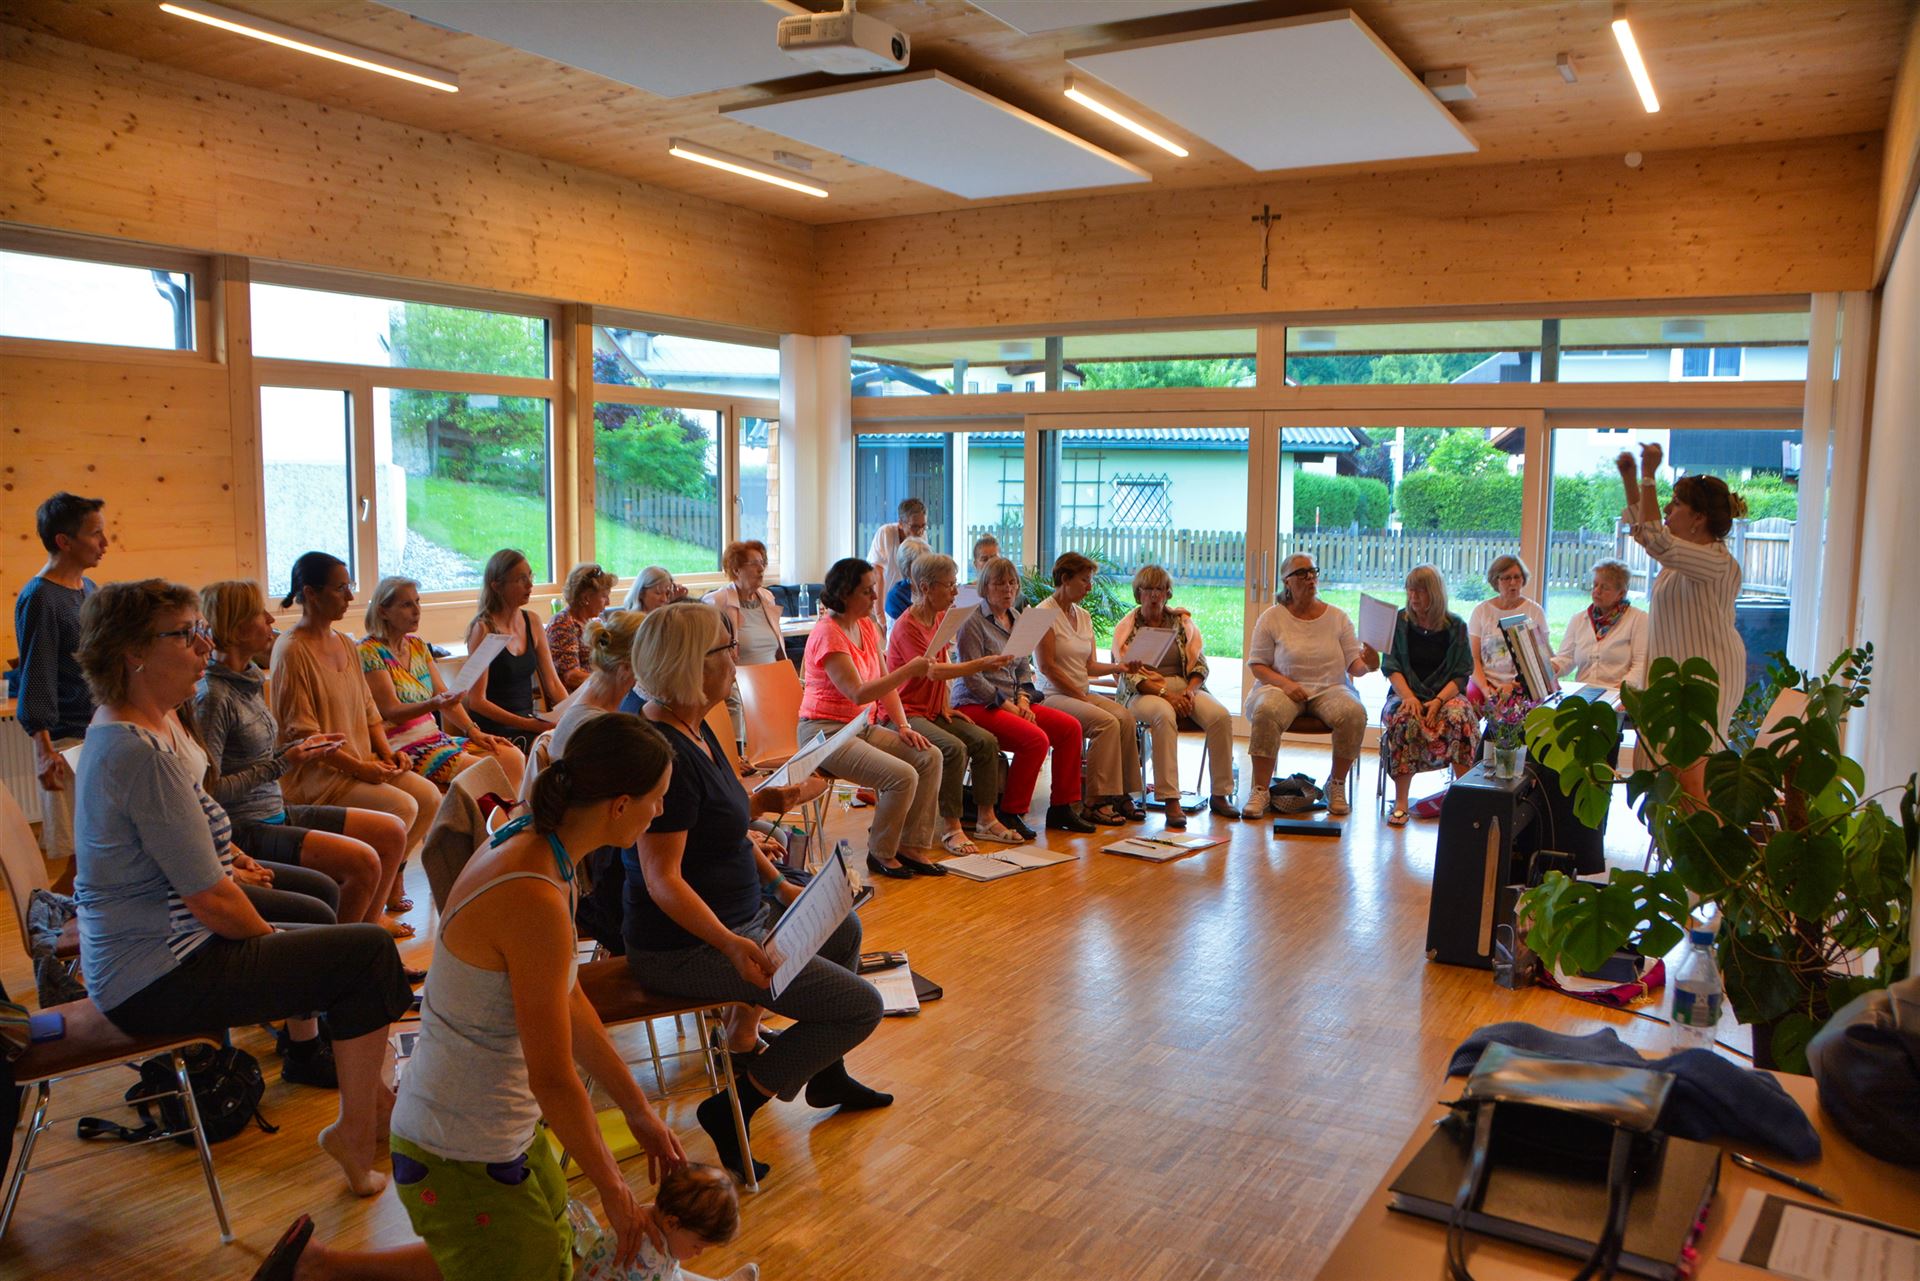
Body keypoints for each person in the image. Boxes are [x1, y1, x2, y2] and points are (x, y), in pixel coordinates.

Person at [250, 713, 688, 1281]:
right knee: (524, 1263)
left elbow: (568, 998)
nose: (661, 810)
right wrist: (614, 1190)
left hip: (478, 1130)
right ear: (621, 805)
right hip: (459, 1143)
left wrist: (639, 1111)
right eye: (658, 798)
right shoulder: (534, 893)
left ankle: (316, 1268)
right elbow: (552, 1076)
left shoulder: (543, 848)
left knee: (512, 1253)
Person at [73, 579, 413, 1197]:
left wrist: (278, 932)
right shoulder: (138, 752)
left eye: (202, 632)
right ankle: (361, 1128)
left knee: (337, 936)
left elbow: (196, 846)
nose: (204, 647)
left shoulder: (141, 728)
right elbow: (211, 899)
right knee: (364, 953)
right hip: (156, 975)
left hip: (158, 956)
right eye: (186, 635)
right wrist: (277, 945)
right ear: (133, 652)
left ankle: (367, 1108)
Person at [625, 603, 886, 1185]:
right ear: (692, 664)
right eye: (726, 650)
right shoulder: (660, 752)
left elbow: (727, 824)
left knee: (842, 926)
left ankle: (826, 1074)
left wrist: (777, 882)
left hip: (741, 912)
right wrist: (729, 943)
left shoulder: (695, 726)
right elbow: (662, 880)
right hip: (686, 946)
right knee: (860, 1007)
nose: (736, 658)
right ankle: (735, 1105)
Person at [197, 579, 407, 930]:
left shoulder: (247, 679)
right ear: (236, 628)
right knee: (363, 862)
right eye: (259, 614)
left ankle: (369, 934)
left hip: (275, 809)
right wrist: (285, 761)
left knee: (392, 832)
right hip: (247, 827)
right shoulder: (214, 697)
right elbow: (209, 790)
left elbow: (259, 757)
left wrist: (301, 750)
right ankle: (343, 950)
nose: (270, 620)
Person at [271, 552, 444, 928]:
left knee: (429, 797)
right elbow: (304, 734)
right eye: (341, 588)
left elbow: (369, 712)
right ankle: (370, 914)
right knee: (402, 808)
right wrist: (361, 769)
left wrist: (387, 753)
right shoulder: (292, 650)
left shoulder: (346, 644)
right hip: (320, 778)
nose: (350, 596)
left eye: (349, 586)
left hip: (361, 764)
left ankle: (384, 884)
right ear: (310, 594)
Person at [797, 558, 943, 879]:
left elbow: (884, 681)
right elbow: (859, 693)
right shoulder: (828, 633)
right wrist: (910, 670)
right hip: (824, 733)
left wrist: (903, 725)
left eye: (874, 589)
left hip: (859, 727)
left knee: (929, 756)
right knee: (902, 775)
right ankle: (882, 852)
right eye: (867, 591)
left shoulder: (866, 626)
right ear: (845, 594)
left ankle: (910, 845)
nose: (875, 597)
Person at [1617, 443, 1749, 794]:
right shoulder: (1685, 558)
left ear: (1699, 518)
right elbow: (1644, 530)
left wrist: (1648, 475)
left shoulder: (1715, 560)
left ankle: (1703, 828)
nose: (1666, 509)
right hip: (1677, 675)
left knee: (1692, 777)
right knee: (1664, 769)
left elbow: (1654, 538)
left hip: (1706, 676)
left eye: (1675, 504)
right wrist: (1630, 478)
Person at [886, 552, 1023, 851]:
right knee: (953, 748)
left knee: (986, 742)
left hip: (933, 710)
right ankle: (951, 827)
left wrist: (945, 706)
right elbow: (933, 672)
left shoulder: (938, 619)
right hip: (906, 714)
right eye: (949, 585)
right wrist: (981, 664)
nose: (955, 592)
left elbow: (942, 669)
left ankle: (986, 819)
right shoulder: (907, 626)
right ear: (925, 587)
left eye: (955, 584)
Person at [953, 556, 1090, 836]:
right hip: (976, 703)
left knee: (1070, 729)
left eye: (1012, 583)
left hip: (1011, 701)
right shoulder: (972, 622)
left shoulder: (1016, 618)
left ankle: (1062, 807)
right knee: (1035, 739)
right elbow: (972, 678)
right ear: (985, 587)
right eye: (999, 583)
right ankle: (1011, 811)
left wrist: (1023, 700)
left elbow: (1022, 668)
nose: (1008, 589)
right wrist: (1009, 706)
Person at [360, 575, 526, 793]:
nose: (416, 611)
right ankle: (494, 812)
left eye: (417, 602)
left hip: (435, 738)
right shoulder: (369, 651)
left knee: (512, 756)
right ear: (383, 611)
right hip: (404, 746)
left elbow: (444, 697)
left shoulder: (417, 645)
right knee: (483, 770)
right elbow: (392, 711)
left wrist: (472, 731)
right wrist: (435, 703)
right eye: (406, 605)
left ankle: (507, 811)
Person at [1242, 555, 1377, 819]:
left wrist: (1370, 663)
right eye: (1302, 573)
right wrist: (1286, 684)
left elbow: (1355, 666)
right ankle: (1260, 790)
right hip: (1281, 688)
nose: (1310, 578)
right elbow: (1257, 665)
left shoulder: (1338, 617)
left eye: (1313, 571)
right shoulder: (1272, 617)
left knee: (1353, 713)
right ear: (1287, 582)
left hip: (1330, 688)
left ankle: (1336, 784)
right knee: (1266, 711)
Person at [15, 491, 106, 863]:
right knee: (78, 856)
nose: (105, 543)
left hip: (97, 732)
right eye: (95, 534)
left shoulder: (89, 589)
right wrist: (44, 750)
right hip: (66, 741)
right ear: (64, 541)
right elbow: (37, 673)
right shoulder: (41, 597)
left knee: (100, 846)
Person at [1110, 565, 1236, 828]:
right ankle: (1170, 799)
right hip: (1143, 690)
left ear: (1168, 593)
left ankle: (1220, 794)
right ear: (1138, 594)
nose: (1154, 595)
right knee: (1164, 714)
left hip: (1183, 684)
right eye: (1148, 589)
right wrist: (1167, 695)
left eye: (1160, 589)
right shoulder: (1128, 627)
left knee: (1220, 716)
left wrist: (1190, 691)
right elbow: (1129, 676)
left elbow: (1200, 664)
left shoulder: (1181, 623)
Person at [1031, 552, 1150, 827]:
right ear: (1065, 579)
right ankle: (1095, 801)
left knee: (1125, 717)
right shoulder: (1042, 614)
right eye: (1084, 580)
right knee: (1106, 723)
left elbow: (1089, 665)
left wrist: (1120, 667)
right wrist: (1079, 695)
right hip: (1052, 695)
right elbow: (1047, 667)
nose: (1089, 586)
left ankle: (1122, 794)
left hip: (1080, 693)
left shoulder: (1083, 616)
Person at [1379, 564, 1477, 827]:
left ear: (1434, 593)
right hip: (1404, 692)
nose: (1413, 597)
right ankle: (1401, 803)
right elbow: (1391, 667)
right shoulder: (1398, 622)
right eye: (1410, 591)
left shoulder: (1456, 626)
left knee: (1459, 716)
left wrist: (1438, 701)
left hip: (1444, 694)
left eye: (1420, 591)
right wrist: (1409, 697)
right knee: (1404, 719)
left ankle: (1464, 799)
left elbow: (1462, 674)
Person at [572, 1163, 758, 1281]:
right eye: (696, 1246)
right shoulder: (649, 1256)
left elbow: (670, 1269)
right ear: (671, 1224)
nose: (698, 1253)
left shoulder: (650, 1214)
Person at [463, 548, 569, 753]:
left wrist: (572, 714)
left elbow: (554, 684)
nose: (530, 585)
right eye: (521, 579)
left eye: (530, 576)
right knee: (554, 750)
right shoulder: (484, 629)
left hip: (528, 723)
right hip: (495, 729)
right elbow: (477, 701)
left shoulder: (533, 621)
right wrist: (528, 724)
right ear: (497, 586)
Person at [703, 540, 785, 751]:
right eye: (754, 563)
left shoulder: (767, 597)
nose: (761, 569)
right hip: (737, 684)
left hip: (769, 682)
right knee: (735, 700)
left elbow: (777, 649)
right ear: (736, 569)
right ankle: (737, 753)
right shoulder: (717, 601)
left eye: (763, 562)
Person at [1467, 553, 1550, 731]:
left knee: (1517, 711)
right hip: (1487, 681)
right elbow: (1473, 658)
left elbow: (1541, 661)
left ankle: (1513, 746)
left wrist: (1512, 686)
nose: (1513, 583)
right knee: (1469, 701)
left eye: (1517, 577)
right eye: (1506, 578)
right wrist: (1485, 689)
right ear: (1495, 581)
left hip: (1523, 684)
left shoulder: (1534, 612)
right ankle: (1481, 747)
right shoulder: (1481, 611)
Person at [1550, 559, 1649, 689]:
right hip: (1582, 693)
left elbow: (1641, 665)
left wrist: (1620, 691)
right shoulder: (1578, 620)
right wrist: (1549, 668)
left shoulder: (1638, 619)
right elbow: (1565, 658)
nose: (1597, 591)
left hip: (1618, 694)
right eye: (1595, 585)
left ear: (1621, 593)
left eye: (1605, 587)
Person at [550, 562, 617, 691]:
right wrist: (609, 682)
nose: (608, 602)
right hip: (578, 696)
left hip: (598, 690)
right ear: (586, 597)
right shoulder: (562, 624)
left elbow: (609, 656)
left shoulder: (595, 622)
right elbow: (571, 677)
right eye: (604, 596)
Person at [866, 496, 928, 615]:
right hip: (886, 601)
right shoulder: (885, 533)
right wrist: (879, 614)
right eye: (914, 526)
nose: (920, 531)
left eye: (923, 526)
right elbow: (877, 573)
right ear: (900, 523)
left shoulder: (921, 535)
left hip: (907, 600)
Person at [883, 537, 929, 623]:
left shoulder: (932, 589)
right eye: (921, 567)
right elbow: (901, 628)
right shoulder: (896, 597)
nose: (927, 571)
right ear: (907, 570)